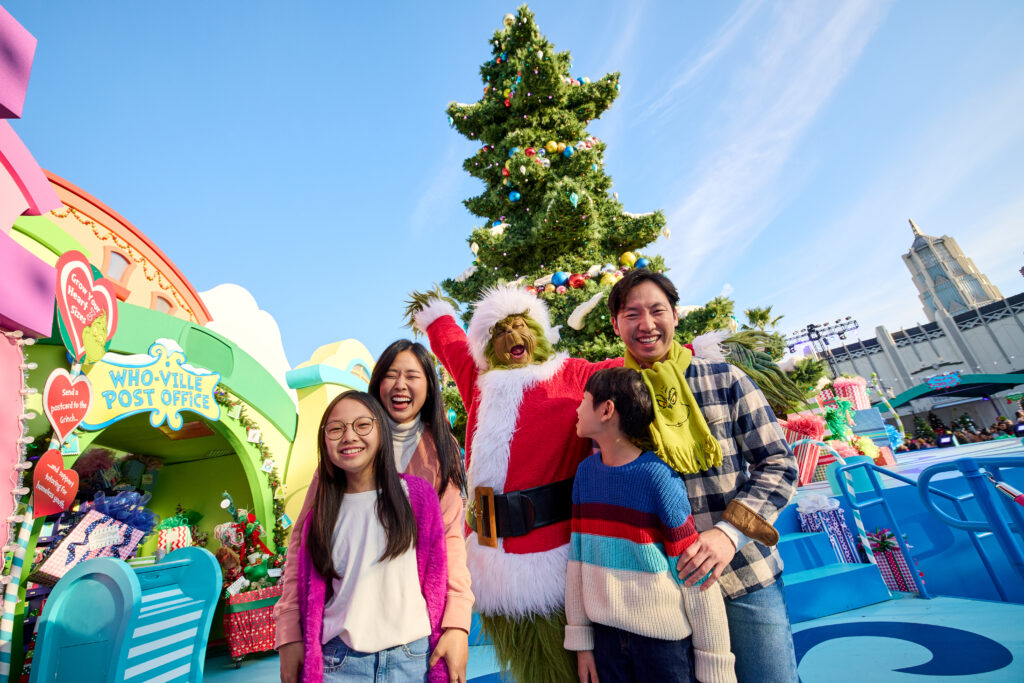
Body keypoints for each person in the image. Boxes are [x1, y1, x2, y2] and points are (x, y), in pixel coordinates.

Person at [607, 270, 798, 683]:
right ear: (616, 324)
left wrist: (729, 533)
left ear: (675, 316)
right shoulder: (612, 401)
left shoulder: (724, 378)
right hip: (661, 592)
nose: (646, 324)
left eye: (657, 310)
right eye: (632, 314)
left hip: (744, 576)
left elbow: (778, 464)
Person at [277, 341, 472, 683]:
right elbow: (302, 546)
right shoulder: (341, 457)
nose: (400, 384)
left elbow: (451, 540)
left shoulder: (441, 450)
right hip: (343, 648)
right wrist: (289, 629)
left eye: (412, 375)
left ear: (429, 386)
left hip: (409, 647)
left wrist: (456, 622)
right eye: (391, 375)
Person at [565, 368, 736, 683]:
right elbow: (577, 561)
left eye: (584, 400)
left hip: (664, 649)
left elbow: (694, 571)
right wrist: (582, 643)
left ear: (606, 410)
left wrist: (716, 668)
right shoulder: (585, 474)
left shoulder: (658, 477)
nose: (577, 409)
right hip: (606, 645)